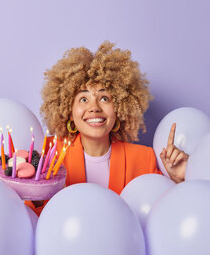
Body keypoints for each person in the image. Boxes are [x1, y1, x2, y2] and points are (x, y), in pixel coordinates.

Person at [26, 41, 189, 215]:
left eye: (104, 98)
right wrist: (36, 191)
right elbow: (31, 216)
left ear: (120, 106)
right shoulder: (47, 154)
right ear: (68, 109)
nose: (94, 107)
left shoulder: (144, 160)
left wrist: (179, 181)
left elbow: (165, 216)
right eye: (83, 99)